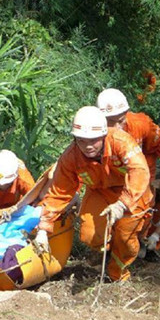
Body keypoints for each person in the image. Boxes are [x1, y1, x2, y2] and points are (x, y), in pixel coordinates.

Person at [34, 106, 153, 282]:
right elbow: (59, 192)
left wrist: (122, 203)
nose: (88, 146)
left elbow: (139, 171)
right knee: (89, 235)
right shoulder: (71, 157)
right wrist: (43, 228)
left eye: (93, 140)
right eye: (81, 140)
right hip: (99, 192)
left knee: (126, 240)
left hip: (132, 193)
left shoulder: (121, 141)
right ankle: (108, 247)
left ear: (104, 135)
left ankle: (117, 275)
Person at [96, 88, 160, 261]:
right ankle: (109, 247)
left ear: (126, 114)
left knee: (144, 215)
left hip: (142, 176)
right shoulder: (94, 132)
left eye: (120, 121)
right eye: (110, 122)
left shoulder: (141, 124)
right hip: (114, 177)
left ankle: (142, 247)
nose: (116, 128)